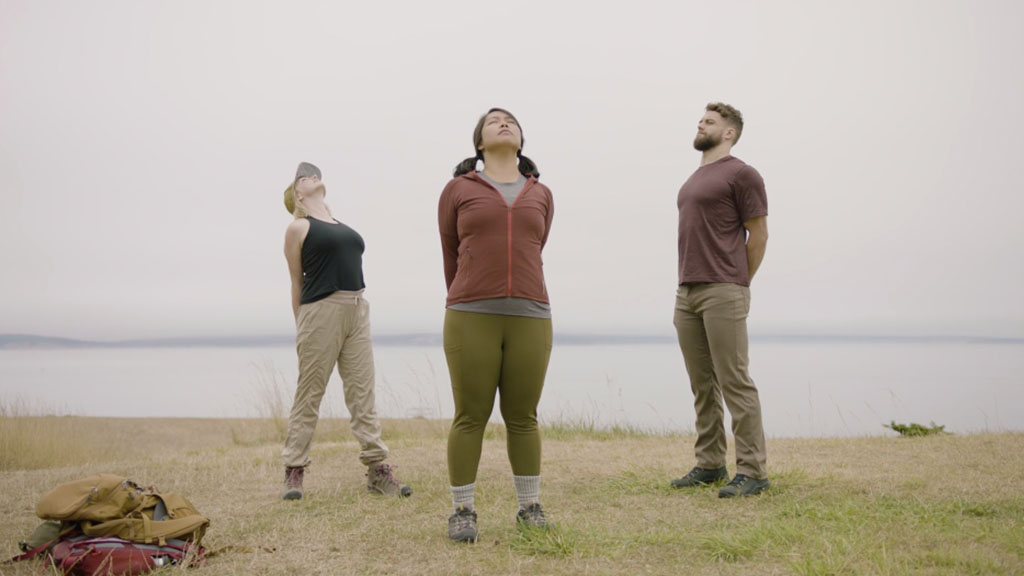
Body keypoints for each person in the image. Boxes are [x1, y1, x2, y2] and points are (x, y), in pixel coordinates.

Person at [437, 108, 555, 542]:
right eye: (493, 121)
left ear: (520, 140)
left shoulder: (541, 193)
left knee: (523, 416)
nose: (504, 123)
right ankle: (463, 510)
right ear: (479, 143)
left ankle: (530, 506)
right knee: (470, 416)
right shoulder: (457, 189)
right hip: (470, 313)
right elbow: (450, 251)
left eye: (511, 120)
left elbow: (536, 247)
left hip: (531, 313)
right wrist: (467, 294)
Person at [279, 161, 411, 501]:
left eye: (312, 174)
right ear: (298, 195)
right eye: (302, 178)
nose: (310, 176)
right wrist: (302, 325)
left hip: (357, 309)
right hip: (320, 311)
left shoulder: (342, 226)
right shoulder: (298, 228)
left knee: (362, 393)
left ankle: (377, 470)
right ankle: (294, 470)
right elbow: (296, 281)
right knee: (310, 392)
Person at [670, 103, 771, 498]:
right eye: (700, 120)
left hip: (723, 289)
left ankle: (753, 470)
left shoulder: (742, 174)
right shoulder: (694, 178)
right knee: (703, 384)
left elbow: (758, 235)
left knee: (734, 381)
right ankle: (710, 464)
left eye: (709, 122)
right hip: (687, 291)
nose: (701, 125)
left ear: (729, 132)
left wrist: (738, 282)